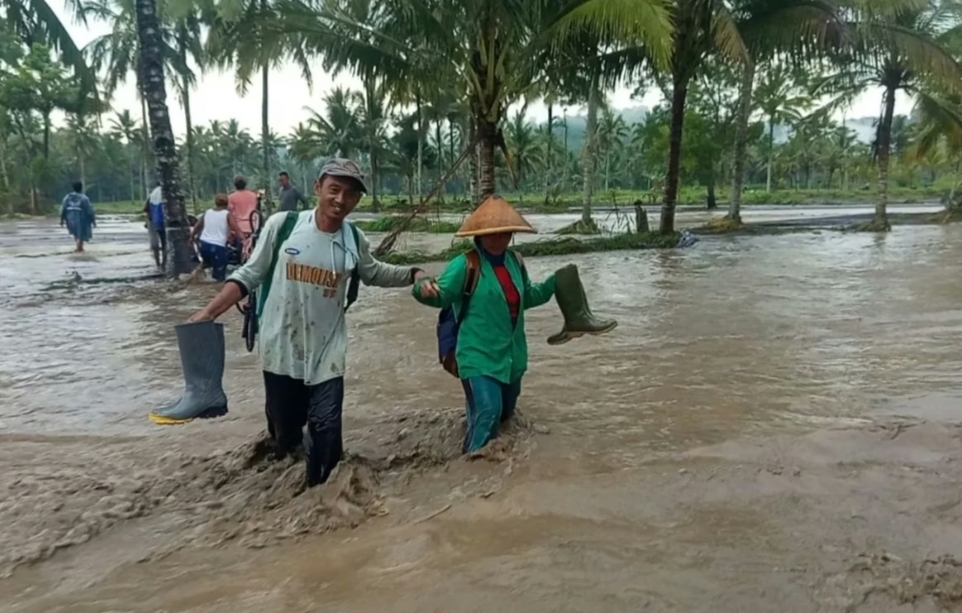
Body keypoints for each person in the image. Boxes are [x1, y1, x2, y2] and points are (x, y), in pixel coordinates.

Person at [187, 158, 432, 486]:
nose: (340, 200)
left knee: (327, 436)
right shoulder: (283, 225)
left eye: (350, 194)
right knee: (287, 442)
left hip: (327, 354)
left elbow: (373, 271)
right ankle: (284, 493)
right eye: (334, 190)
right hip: (280, 350)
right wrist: (208, 312)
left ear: (357, 200)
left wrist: (413, 274)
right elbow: (249, 274)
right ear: (318, 188)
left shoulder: (353, 239)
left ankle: (325, 506)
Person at [411, 196, 557, 453]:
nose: (498, 237)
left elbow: (526, 297)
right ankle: (470, 469)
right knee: (489, 412)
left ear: (511, 233)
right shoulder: (465, 264)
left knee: (505, 414)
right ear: (478, 234)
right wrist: (422, 287)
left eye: (504, 231)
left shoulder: (515, 262)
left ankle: (480, 439)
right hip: (477, 355)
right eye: (491, 232)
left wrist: (553, 284)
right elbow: (441, 295)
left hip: (511, 357)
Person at [190, 193, 242, 282]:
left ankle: (193, 276)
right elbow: (237, 229)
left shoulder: (207, 212)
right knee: (219, 276)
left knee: (207, 262)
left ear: (215, 202)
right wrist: (244, 239)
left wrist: (191, 237)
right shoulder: (227, 214)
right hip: (218, 247)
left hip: (203, 245)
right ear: (227, 204)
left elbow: (197, 226)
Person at [228, 175, 259, 257]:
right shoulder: (253, 195)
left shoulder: (231, 197)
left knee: (238, 251)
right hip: (253, 226)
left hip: (239, 228)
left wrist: (230, 230)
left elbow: (230, 214)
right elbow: (256, 209)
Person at [60, 181, 96, 252]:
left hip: (70, 218)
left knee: (75, 233)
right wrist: (93, 220)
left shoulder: (67, 197)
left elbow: (63, 208)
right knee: (81, 234)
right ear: (81, 188)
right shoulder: (84, 198)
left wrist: (62, 219)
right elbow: (89, 210)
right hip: (81, 218)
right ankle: (79, 248)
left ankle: (78, 247)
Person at [144, 181, 166, 267]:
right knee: (165, 244)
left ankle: (158, 263)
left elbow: (146, 208)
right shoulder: (165, 192)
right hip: (163, 222)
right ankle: (165, 263)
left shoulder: (153, 193)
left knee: (155, 244)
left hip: (154, 221)